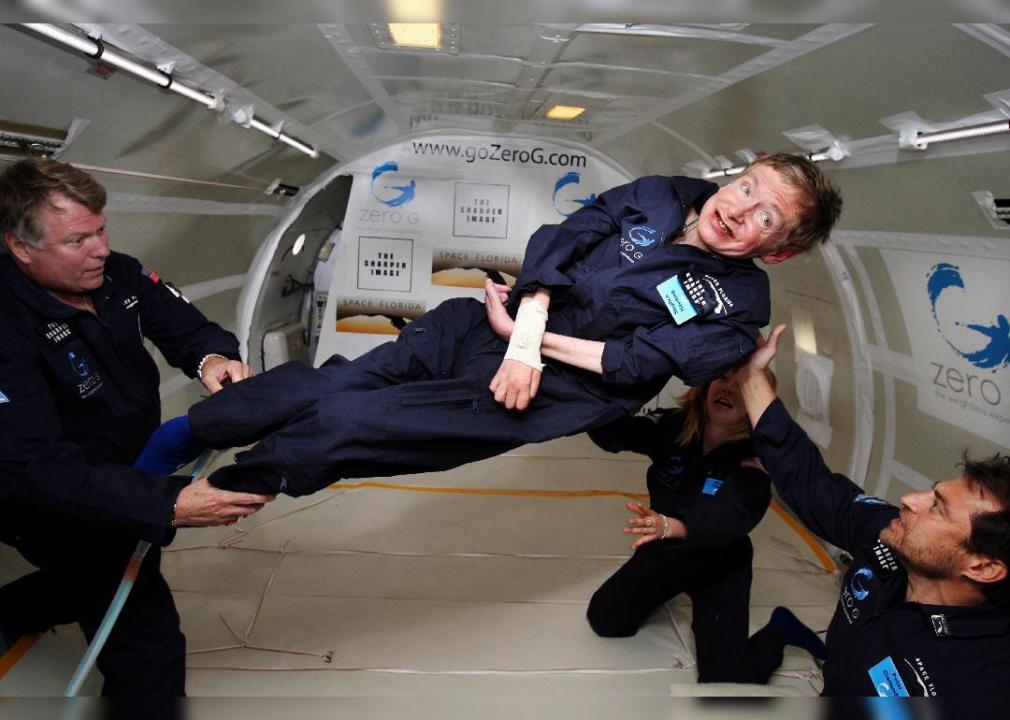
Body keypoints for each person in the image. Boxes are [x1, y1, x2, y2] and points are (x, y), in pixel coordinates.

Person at [189, 153, 842, 496]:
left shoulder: (739, 305)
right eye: (750, 187)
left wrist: (528, 350)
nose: (742, 209)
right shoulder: (664, 193)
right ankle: (193, 433)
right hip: (485, 326)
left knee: (359, 424)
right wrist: (523, 324)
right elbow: (568, 233)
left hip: (546, 390)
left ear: (777, 250)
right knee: (334, 386)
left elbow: (639, 364)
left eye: (766, 219)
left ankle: (222, 491)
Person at [0, 158, 275, 696]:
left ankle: (13, 608)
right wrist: (166, 503)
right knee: (146, 645)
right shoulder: (7, 325)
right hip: (51, 499)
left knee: (92, 578)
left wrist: (211, 359)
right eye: (78, 239)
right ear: (20, 247)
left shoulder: (117, 274)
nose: (100, 248)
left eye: (101, 228)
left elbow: (187, 328)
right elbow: (34, 466)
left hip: (124, 468)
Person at [737, 325, 1010, 696]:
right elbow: (808, 480)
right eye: (932, 493)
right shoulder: (888, 535)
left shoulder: (978, 686)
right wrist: (752, 375)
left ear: (982, 567)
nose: (911, 500)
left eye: (938, 509)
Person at [585, 371, 827, 683]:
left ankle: (781, 629)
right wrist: (591, 395)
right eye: (723, 377)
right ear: (707, 383)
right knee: (605, 620)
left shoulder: (756, 455)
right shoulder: (674, 425)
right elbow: (615, 434)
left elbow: (732, 513)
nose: (728, 389)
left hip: (719, 564)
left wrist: (673, 525)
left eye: (742, 386)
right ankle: (667, 588)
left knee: (724, 675)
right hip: (665, 550)